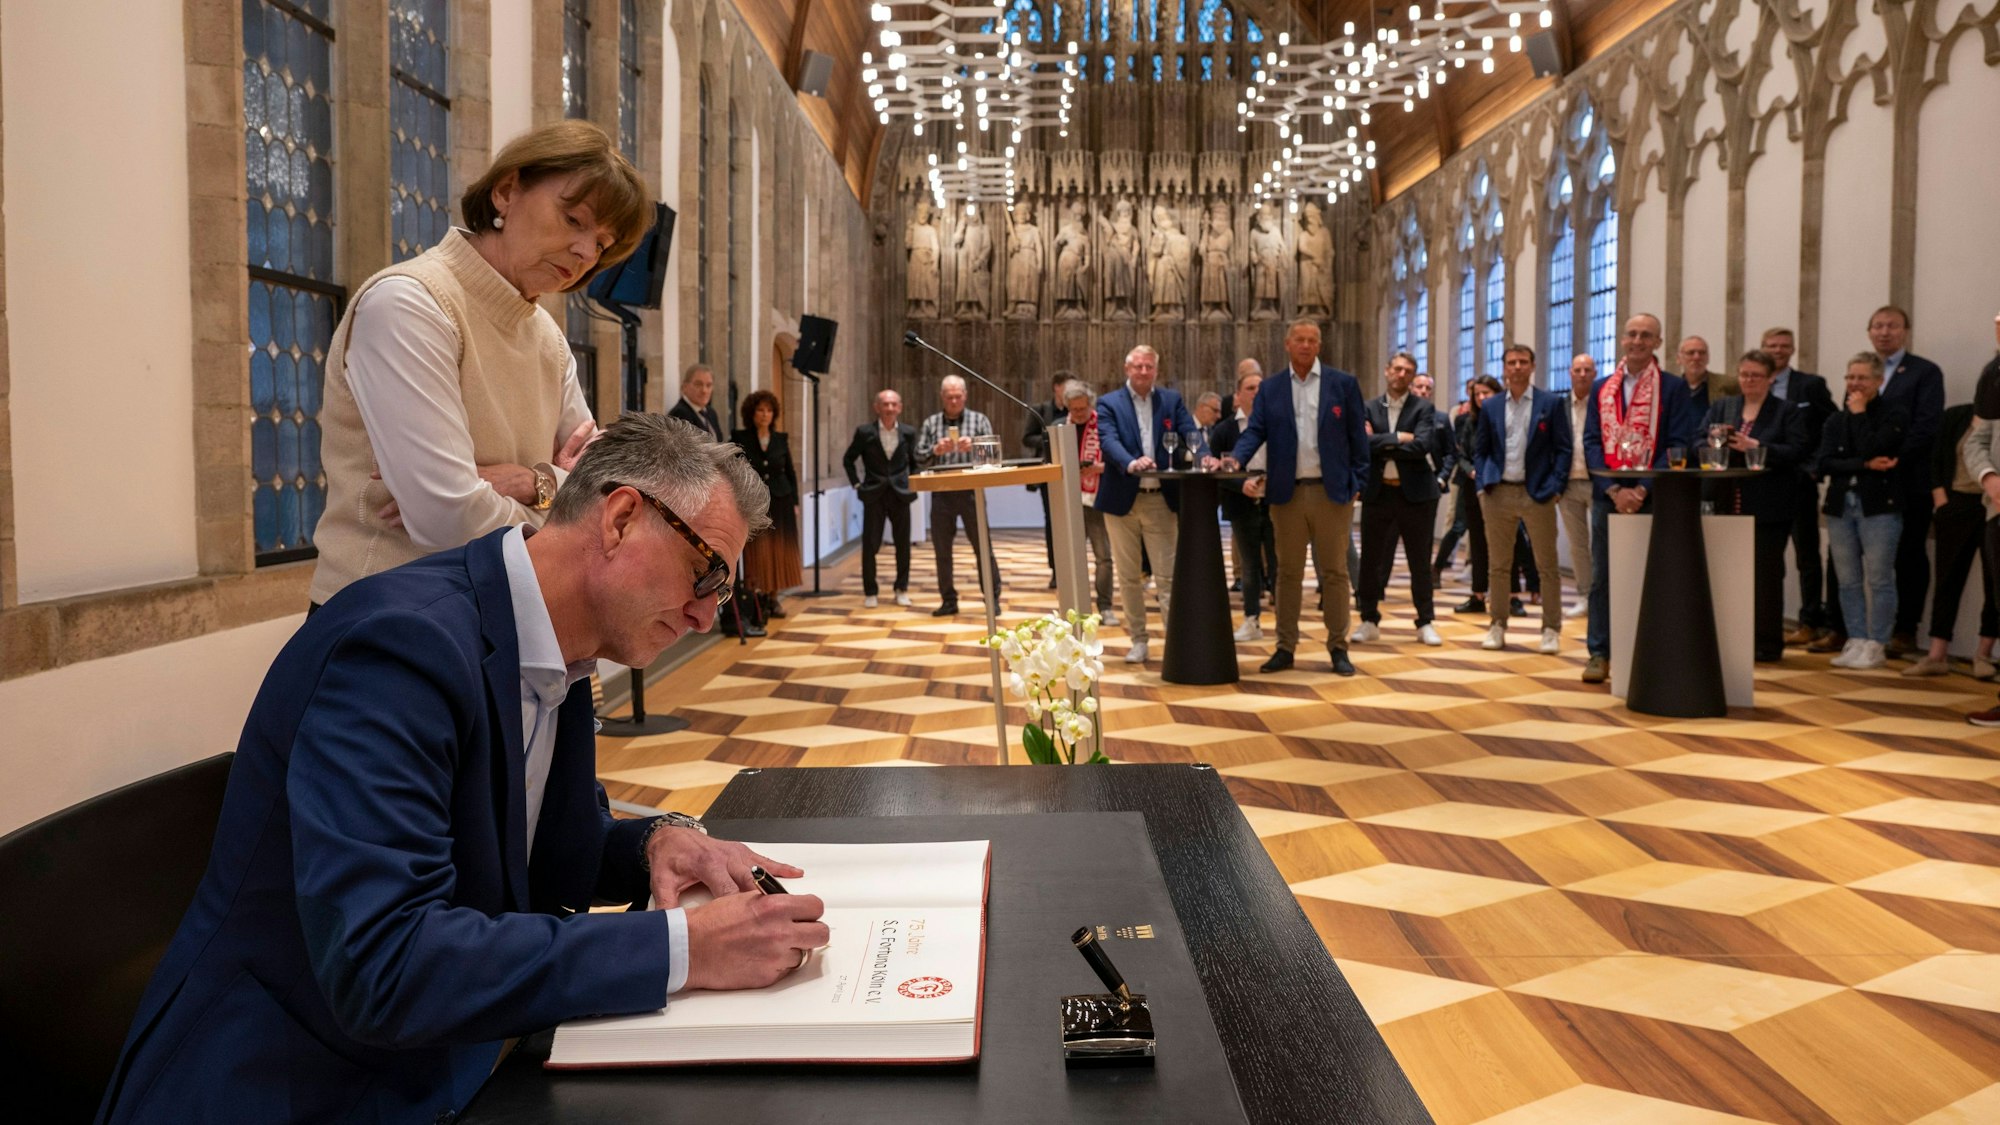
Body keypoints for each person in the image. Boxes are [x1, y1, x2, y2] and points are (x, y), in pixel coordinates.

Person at [100, 415, 830, 1124]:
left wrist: (653, 844)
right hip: (292, 1084)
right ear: (620, 518)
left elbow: (540, 853)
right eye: (707, 573)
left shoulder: (561, 650)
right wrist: (684, 948)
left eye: (723, 592)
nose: (708, 615)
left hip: (438, 1067)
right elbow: (385, 963)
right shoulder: (398, 648)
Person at [308, 120, 650, 609]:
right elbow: (448, 519)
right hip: (391, 618)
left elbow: (607, 495)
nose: (584, 253)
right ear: (507, 191)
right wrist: (563, 509)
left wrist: (535, 481)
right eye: (575, 220)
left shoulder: (548, 340)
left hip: (509, 615)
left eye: (602, 243)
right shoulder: (411, 304)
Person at [1222, 318, 1369, 676]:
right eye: (1299, 340)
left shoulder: (1343, 384)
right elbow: (1255, 430)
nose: (1305, 345)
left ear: (1319, 346)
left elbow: (1358, 438)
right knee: (1287, 573)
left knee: (1334, 573)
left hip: (1331, 493)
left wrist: (1357, 481)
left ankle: (1338, 647)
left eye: (1312, 340)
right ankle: (1285, 646)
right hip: (1286, 493)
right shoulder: (1271, 389)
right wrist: (1237, 457)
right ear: (1288, 345)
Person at [1582, 313, 1696, 683]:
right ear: (1622, 340)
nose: (1637, 341)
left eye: (1646, 335)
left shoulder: (1674, 387)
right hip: (1607, 495)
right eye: (1631, 334)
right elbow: (1592, 442)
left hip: (1655, 494)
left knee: (1655, 574)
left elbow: (1677, 443)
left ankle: (1651, 650)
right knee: (1603, 577)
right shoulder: (1602, 387)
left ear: (1658, 343)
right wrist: (1614, 490)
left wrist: (1643, 488)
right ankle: (1599, 652)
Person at [1704, 351, 1809, 662]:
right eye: (1744, 375)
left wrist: (1757, 447)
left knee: (1765, 576)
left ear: (1770, 379)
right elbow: (1698, 438)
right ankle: (1729, 637)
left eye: (1756, 375)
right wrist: (1713, 445)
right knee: (1727, 575)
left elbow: (1798, 450)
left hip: (1768, 504)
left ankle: (1765, 643)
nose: (1749, 380)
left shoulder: (1785, 411)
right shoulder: (1724, 407)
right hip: (1727, 501)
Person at [1096, 345, 1197, 664]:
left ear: (1156, 370)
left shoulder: (1171, 400)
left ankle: (1176, 641)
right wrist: (1131, 462)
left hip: (1160, 500)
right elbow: (1108, 441)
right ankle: (1138, 640)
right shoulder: (1109, 403)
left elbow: (1190, 433)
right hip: (1121, 500)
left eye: (1149, 367)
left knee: (1167, 577)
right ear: (1127, 369)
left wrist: (1203, 453)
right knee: (1127, 576)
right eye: (1138, 366)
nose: (1143, 372)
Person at [1472, 344, 1571, 654]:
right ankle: (1497, 624)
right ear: (1504, 368)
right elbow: (1481, 449)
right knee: (1499, 565)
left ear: (1533, 366)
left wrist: (1555, 486)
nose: (1516, 367)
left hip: (1537, 492)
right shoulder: (1491, 406)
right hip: (1498, 492)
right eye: (1511, 362)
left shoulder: (1550, 403)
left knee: (1547, 566)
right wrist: (1482, 483)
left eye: (1523, 362)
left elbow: (1563, 449)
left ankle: (1551, 628)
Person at [1861, 306, 1945, 657]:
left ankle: (1906, 629)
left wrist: (1897, 459)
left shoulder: (1924, 372)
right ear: (1869, 332)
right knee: (1869, 560)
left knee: (1909, 555)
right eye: (1877, 326)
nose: (1884, 332)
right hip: (1869, 479)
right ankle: (1865, 630)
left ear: (1906, 332)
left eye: (1892, 326)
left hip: (1909, 478)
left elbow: (1928, 424)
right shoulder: (1862, 371)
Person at [1816, 352, 1909, 669]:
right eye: (1850, 377)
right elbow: (1824, 463)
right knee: (1848, 580)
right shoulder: (1834, 420)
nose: (1854, 384)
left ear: (1879, 381)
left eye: (1862, 378)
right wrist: (1865, 465)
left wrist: (1858, 416)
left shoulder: (1893, 414)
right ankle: (1855, 638)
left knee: (1880, 578)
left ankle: (1876, 642)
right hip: (1841, 505)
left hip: (1879, 506)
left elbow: (1877, 448)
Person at [1354, 353, 1443, 647]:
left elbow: (1422, 445)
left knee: (1420, 561)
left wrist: (1382, 441)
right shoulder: (1368, 407)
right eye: (1397, 369)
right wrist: (1399, 438)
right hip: (1378, 493)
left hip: (1417, 495)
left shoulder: (1424, 408)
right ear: (1386, 371)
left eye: (1408, 370)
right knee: (1371, 559)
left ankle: (1425, 622)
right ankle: (1368, 619)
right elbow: (1361, 444)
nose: (1402, 374)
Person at [1761, 327, 1839, 648]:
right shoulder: (1754, 386)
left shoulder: (1810, 386)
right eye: (1772, 346)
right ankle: (1767, 618)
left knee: (1806, 554)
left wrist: (1814, 466)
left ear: (1792, 350)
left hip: (1797, 482)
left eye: (1784, 346)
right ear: (1762, 348)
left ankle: (1810, 621)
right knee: (1768, 557)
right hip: (1762, 483)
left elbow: (1833, 425)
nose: (1778, 351)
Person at [1906, 400, 1996, 677]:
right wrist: (1940, 498)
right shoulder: (1957, 415)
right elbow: (1937, 456)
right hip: (1956, 503)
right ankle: (1937, 653)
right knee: (1947, 579)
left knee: (1994, 582)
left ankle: (1983, 654)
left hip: (1993, 504)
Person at [914, 375, 998, 617]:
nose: (953, 401)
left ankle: (992, 599)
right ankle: (948, 600)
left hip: (972, 491)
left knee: (983, 546)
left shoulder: (979, 419)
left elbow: (994, 452)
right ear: (942, 397)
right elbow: (918, 456)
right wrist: (935, 449)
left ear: (965, 396)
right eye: (949, 397)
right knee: (942, 550)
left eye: (957, 396)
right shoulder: (931, 423)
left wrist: (975, 445)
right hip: (941, 491)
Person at [1215, 360, 1275, 641]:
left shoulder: (1278, 424)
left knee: (1279, 564)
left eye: (1260, 388)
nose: (1256, 392)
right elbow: (1217, 469)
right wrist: (1241, 484)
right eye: (1250, 388)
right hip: (1241, 502)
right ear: (1238, 395)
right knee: (1250, 566)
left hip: (1274, 500)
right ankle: (1252, 620)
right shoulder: (1225, 429)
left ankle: (1286, 624)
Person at [842, 389, 918, 609]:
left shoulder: (908, 432)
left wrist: (912, 483)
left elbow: (915, 461)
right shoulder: (865, 432)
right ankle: (870, 591)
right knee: (870, 545)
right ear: (877, 407)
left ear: (900, 407)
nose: (890, 408)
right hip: (873, 494)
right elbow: (848, 459)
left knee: (903, 544)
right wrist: (857, 484)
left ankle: (901, 589)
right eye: (885, 404)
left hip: (901, 494)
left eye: (894, 404)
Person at [733, 390, 801, 622]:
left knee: (779, 551)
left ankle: (773, 597)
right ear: (751, 413)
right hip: (753, 502)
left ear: (774, 414)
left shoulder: (781, 439)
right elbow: (736, 471)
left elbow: (790, 472)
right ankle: (755, 600)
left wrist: (796, 502)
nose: (765, 414)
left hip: (781, 500)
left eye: (769, 410)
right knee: (757, 551)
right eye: (760, 410)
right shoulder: (740, 437)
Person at [1061, 379, 1118, 624]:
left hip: (1097, 498)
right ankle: (1074, 608)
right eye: (1073, 410)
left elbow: (1115, 460)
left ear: (1090, 405)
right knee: (1072, 557)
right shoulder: (1061, 428)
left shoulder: (1104, 425)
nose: (1078, 414)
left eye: (1082, 409)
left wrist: (1098, 467)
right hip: (1069, 498)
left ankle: (1105, 607)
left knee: (1103, 556)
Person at [1023, 370, 1077, 587]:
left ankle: (1074, 566)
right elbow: (1027, 438)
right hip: (1050, 473)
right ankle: (1056, 570)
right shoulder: (1040, 411)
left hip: (1075, 473)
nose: (1071, 392)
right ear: (1056, 387)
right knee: (1053, 522)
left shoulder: (1077, 410)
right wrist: (1052, 437)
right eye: (1067, 387)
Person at [1560, 354, 1599, 619]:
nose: (1582, 374)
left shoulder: (1602, 405)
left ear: (1594, 374)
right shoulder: (1559, 406)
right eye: (1578, 370)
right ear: (1570, 373)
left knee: (1601, 543)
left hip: (1598, 482)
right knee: (1578, 545)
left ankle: (1602, 598)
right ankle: (1585, 595)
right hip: (1568, 483)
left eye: (1587, 370)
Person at [670, 363, 727, 443]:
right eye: (698, 384)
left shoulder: (711, 412)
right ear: (684, 387)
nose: (704, 390)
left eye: (709, 385)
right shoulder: (679, 414)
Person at [1676, 335, 1734, 414]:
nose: (1697, 357)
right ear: (1679, 359)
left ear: (1708, 358)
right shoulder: (1673, 388)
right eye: (1691, 353)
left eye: (1702, 353)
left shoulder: (1729, 384)